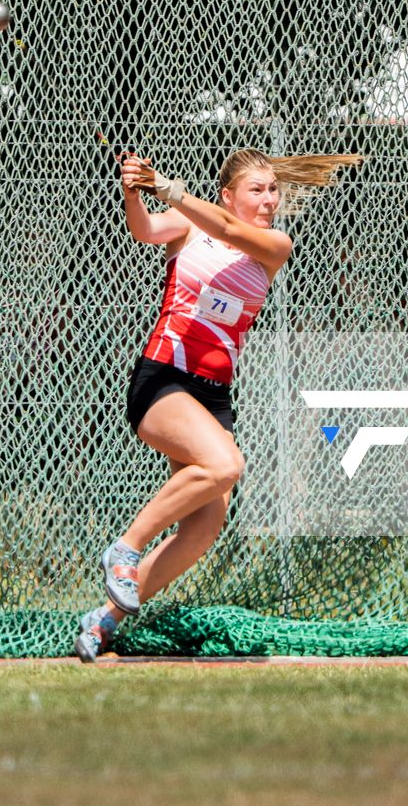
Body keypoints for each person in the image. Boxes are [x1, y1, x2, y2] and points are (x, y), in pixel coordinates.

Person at [75, 144, 361, 662]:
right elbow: (144, 230)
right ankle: (125, 549)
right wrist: (133, 192)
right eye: (257, 189)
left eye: (273, 189)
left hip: (213, 395)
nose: (269, 198)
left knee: (205, 526)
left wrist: (168, 189)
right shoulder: (189, 227)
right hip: (163, 378)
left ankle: (106, 620)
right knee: (225, 464)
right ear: (229, 195)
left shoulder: (273, 245)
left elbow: (230, 233)